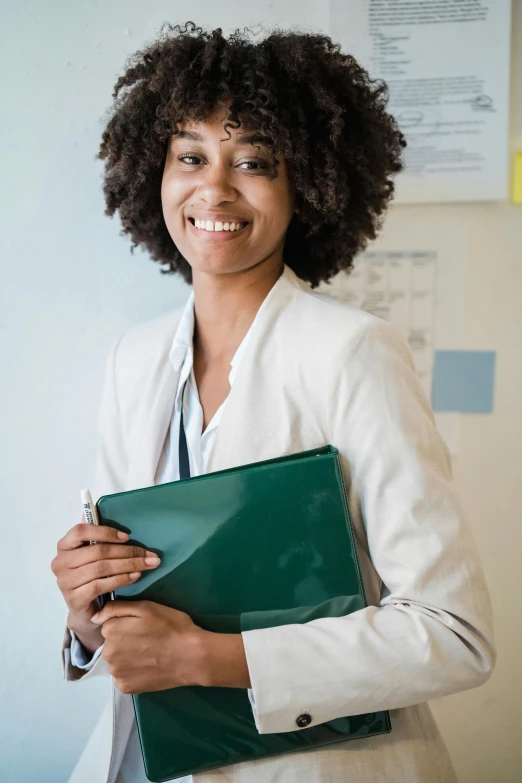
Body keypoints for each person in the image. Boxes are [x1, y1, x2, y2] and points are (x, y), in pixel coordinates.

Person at [51, 21, 495, 783]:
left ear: (309, 187)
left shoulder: (353, 352)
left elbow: (455, 634)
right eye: (190, 156)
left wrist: (212, 657)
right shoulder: (134, 359)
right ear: (153, 172)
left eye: (253, 161)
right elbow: (133, 603)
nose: (214, 187)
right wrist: (86, 611)